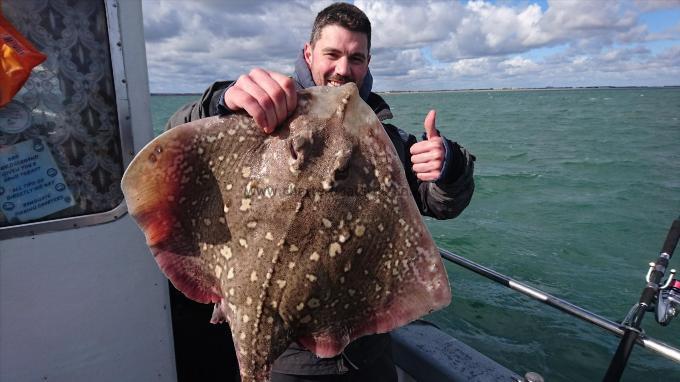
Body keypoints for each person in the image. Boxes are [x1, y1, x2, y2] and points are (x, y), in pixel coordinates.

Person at [166, 2, 475, 381]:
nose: (344, 70)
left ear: (367, 62)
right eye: (332, 54)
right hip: (291, 361)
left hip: (365, 347)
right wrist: (222, 100)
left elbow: (439, 203)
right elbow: (174, 138)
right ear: (308, 53)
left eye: (356, 58)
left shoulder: (384, 142)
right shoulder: (257, 120)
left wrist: (448, 167)